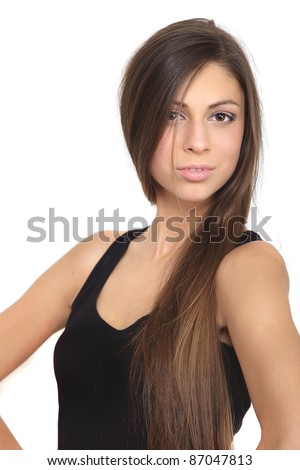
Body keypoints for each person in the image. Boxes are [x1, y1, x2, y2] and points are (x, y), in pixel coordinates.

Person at [0, 18, 300, 451]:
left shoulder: (246, 267)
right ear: (139, 122)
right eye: (173, 114)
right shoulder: (94, 258)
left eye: (221, 116)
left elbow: (292, 438)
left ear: (244, 130)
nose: (198, 141)